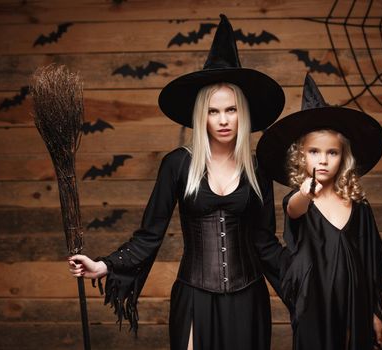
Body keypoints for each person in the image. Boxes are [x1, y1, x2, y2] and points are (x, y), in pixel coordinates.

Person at [68, 14, 289, 350]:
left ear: (243, 114)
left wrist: (309, 277)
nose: (223, 120)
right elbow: (149, 234)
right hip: (194, 294)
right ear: (201, 115)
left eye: (231, 110)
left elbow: (265, 242)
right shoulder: (177, 164)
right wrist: (103, 265)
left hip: (248, 298)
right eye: (213, 112)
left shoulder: (257, 168)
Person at [256, 74, 382, 349]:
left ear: (343, 158)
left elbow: (371, 259)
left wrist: (374, 312)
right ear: (301, 156)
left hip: (354, 305)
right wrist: (305, 191)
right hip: (313, 306)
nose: (324, 160)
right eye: (314, 152)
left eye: (332, 153)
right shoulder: (301, 200)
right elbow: (293, 210)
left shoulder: (358, 204)